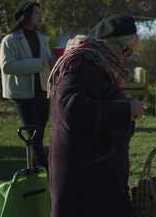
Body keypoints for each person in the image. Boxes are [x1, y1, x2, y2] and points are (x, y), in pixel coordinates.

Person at [47, 14, 143, 217]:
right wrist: (126, 110)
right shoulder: (80, 62)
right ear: (111, 45)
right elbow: (70, 109)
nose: (126, 58)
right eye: (126, 51)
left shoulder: (96, 63)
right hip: (83, 181)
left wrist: (126, 112)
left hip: (96, 175)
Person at [0, 1, 54, 168]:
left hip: (43, 92)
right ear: (25, 16)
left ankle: (35, 171)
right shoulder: (9, 40)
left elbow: (47, 61)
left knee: (38, 134)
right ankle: (47, 171)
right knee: (34, 135)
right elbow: (7, 66)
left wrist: (57, 60)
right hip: (22, 95)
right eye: (36, 13)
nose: (40, 16)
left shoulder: (43, 38)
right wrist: (39, 63)